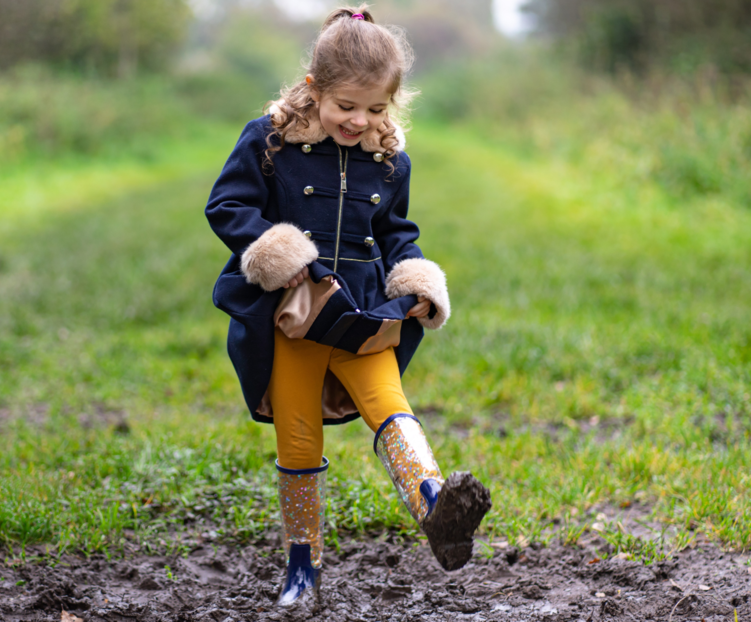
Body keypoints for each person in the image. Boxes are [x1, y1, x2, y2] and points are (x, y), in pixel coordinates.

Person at [205, 4, 491, 607]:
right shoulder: (269, 141)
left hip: (362, 314)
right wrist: (280, 252)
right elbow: (227, 208)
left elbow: (395, 234)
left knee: (390, 405)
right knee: (299, 436)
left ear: (392, 103)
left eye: (376, 109)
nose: (360, 121)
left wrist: (415, 282)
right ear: (314, 89)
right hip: (296, 313)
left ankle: (437, 507)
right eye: (346, 107)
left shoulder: (389, 161)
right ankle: (300, 569)